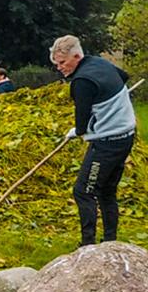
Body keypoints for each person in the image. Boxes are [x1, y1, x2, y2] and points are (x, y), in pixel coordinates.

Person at [50, 35, 136, 246]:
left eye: (62, 62)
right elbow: (123, 76)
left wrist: (77, 131)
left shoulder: (82, 82)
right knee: (107, 190)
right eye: (56, 63)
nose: (59, 67)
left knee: (83, 191)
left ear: (77, 56)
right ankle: (110, 241)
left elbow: (82, 122)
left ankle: (87, 245)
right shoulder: (99, 62)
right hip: (126, 135)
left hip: (108, 141)